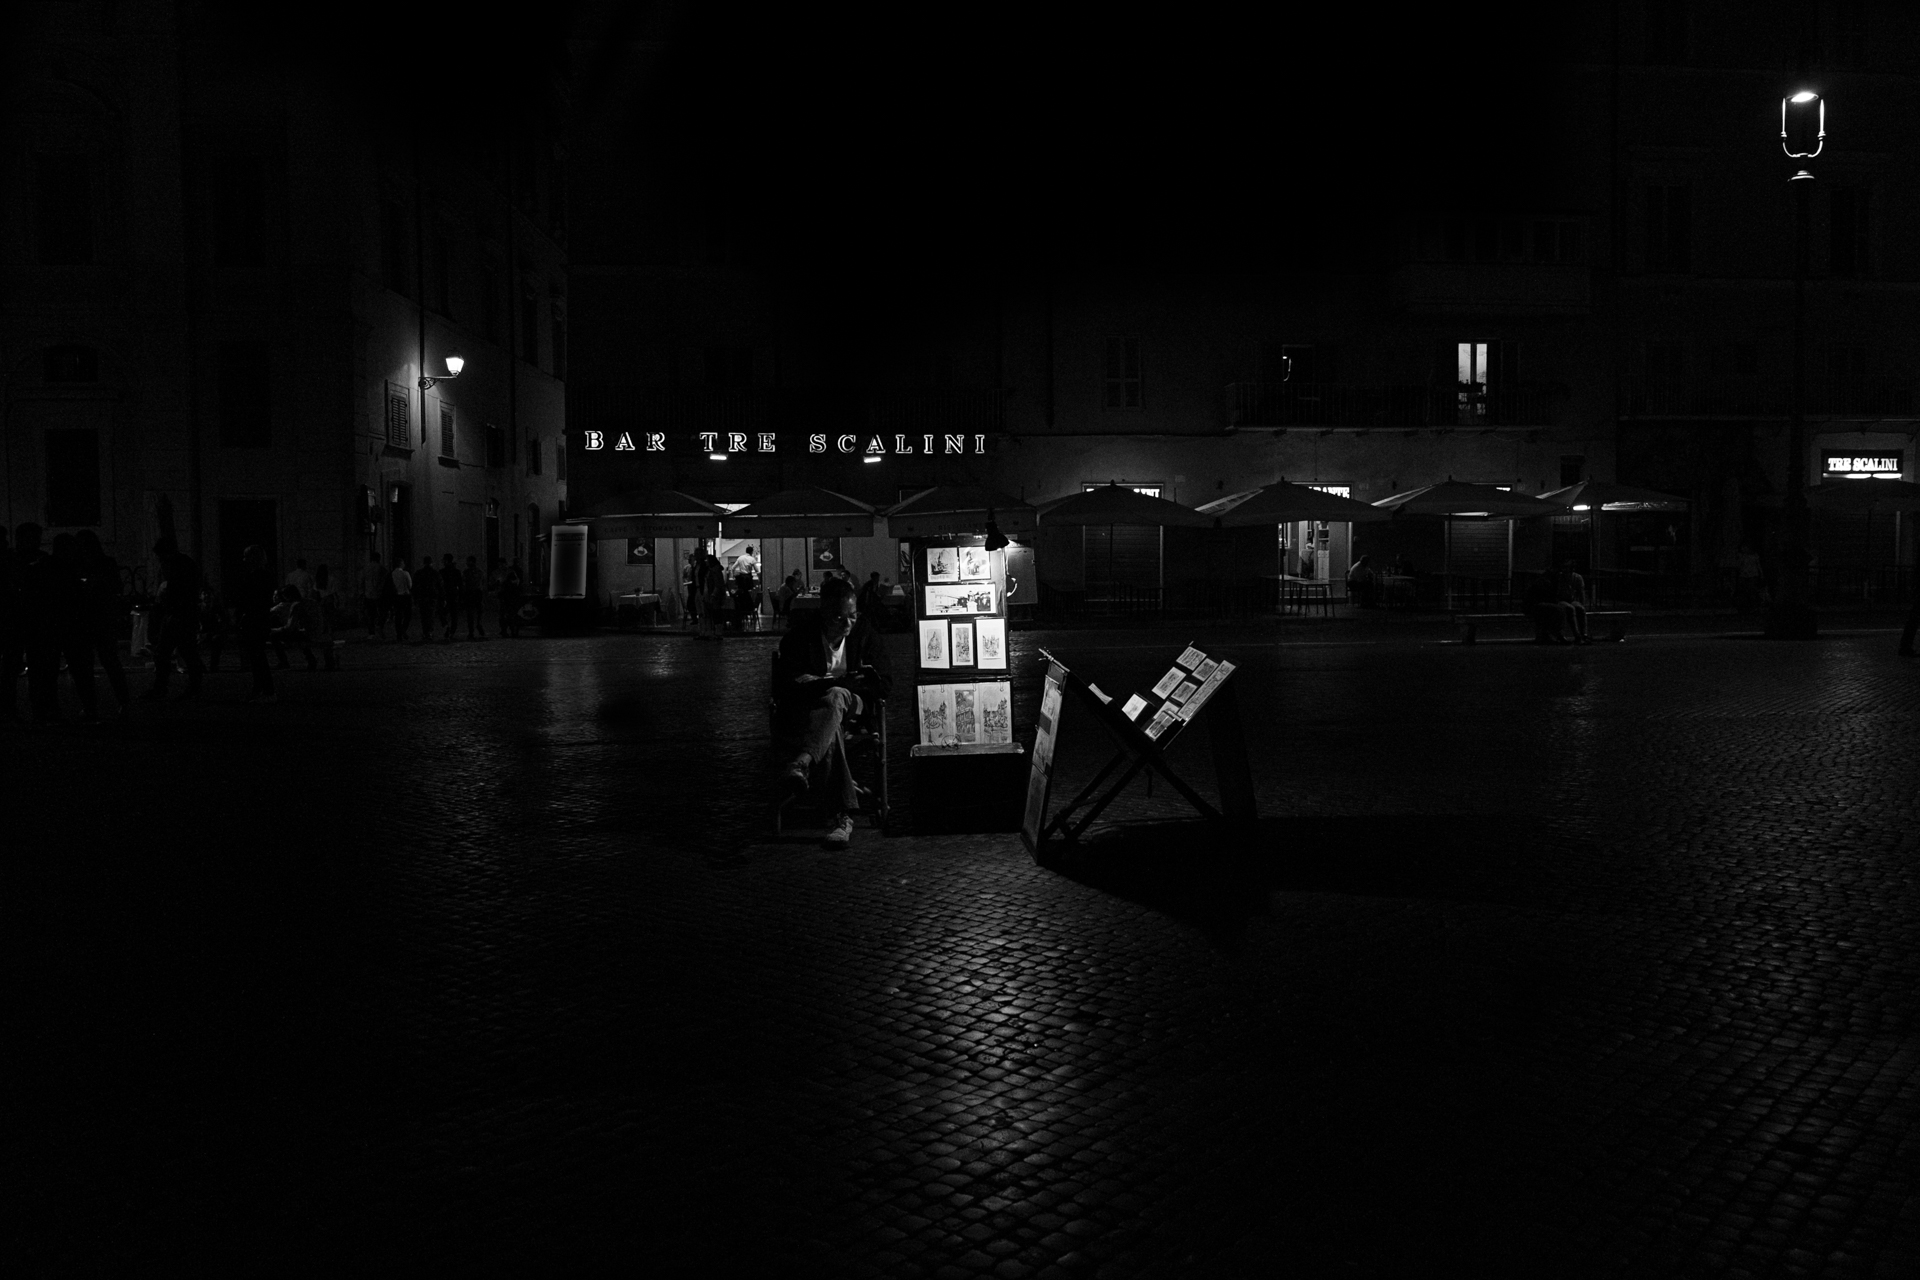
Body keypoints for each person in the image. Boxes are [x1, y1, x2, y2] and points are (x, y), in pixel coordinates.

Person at [772, 574, 892, 849]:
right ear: (824, 614)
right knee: (831, 724)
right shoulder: (801, 638)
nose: (848, 623)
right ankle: (844, 816)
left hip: (855, 707)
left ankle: (802, 762)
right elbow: (787, 684)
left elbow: (885, 683)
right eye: (840, 618)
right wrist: (830, 684)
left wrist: (849, 684)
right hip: (813, 714)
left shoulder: (864, 634)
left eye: (852, 615)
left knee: (837, 696)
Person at [74, 529, 132, 719]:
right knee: (97, 662)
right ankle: (98, 704)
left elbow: (115, 587)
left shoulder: (94, 564)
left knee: (105, 661)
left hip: (96, 617)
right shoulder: (87, 564)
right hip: (90, 618)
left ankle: (116, 703)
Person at [142, 537, 205, 701]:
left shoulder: (177, 566)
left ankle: (163, 687)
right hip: (183, 613)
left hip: (179, 614)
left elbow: (178, 591)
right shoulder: (184, 563)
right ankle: (192, 687)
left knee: (167, 652)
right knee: (183, 651)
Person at [233, 544, 277, 701]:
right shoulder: (265, 575)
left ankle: (267, 690)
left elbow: (248, 598)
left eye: (246, 556)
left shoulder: (254, 577)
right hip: (260, 617)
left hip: (254, 618)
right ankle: (260, 688)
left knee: (257, 656)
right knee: (257, 655)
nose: (244, 560)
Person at [268, 585, 319, 670]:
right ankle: (311, 659)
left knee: (274, 636)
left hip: (308, 633)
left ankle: (284, 662)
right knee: (299, 635)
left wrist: (274, 630)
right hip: (318, 631)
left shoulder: (296, 605)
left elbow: (290, 627)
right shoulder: (310, 602)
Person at [0, 527, 21, 722]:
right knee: (10, 668)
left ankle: (8, 706)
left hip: (8, 619)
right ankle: (9, 706)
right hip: (10, 620)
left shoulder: (9, 560)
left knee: (9, 667)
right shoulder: (11, 560)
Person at [1522, 570, 1572, 644]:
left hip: (1535, 604)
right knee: (1558, 610)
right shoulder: (1545, 583)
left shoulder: (1544, 582)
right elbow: (1547, 597)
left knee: (1555, 610)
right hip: (1535, 605)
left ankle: (1549, 634)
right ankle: (1558, 634)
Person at [1555, 558, 1591, 644]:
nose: (1564, 569)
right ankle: (1577, 634)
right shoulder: (1559, 577)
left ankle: (1584, 634)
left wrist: (1583, 604)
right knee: (1570, 608)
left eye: (1567, 567)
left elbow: (1581, 592)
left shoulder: (1577, 577)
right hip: (1561, 599)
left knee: (1580, 609)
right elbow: (1556, 592)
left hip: (1571, 600)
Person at [697, 551, 728, 640]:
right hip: (710, 594)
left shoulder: (714, 571)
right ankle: (715, 632)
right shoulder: (712, 570)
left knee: (715, 613)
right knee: (713, 613)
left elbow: (717, 584)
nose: (706, 562)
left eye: (707, 560)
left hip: (714, 596)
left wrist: (713, 595)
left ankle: (717, 632)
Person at [411, 556, 440, 643]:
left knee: (423, 615)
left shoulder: (419, 573)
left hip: (422, 596)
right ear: (431, 563)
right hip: (432, 596)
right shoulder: (435, 573)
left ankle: (425, 632)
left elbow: (414, 586)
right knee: (431, 615)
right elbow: (439, 585)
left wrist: (415, 597)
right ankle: (430, 632)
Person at [460, 555, 487, 639]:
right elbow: (483, 583)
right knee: (479, 611)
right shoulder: (480, 572)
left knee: (470, 613)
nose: (466, 563)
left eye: (468, 561)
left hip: (470, 593)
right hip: (478, 592)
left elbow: (463, 584)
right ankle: (479, 625)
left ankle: (471, 631)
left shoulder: (466, 572)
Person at [390, 558, 415, 641]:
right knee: (408, 614)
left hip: (397, 596)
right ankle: (403, 629)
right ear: (401, 564)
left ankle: (399, 633)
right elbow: (410, 585)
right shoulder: (405, 573)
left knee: (398, 615)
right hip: (405, 595)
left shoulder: (392, 574)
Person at [364, 553, 388, 639]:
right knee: (382, 612)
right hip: (379, 594)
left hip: (368, 594)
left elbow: (362, 581)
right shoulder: (382, 568)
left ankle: (371, 632)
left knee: (370, 614)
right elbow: (385, 582)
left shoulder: (366, 568)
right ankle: (379, 626)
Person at [439, 553, 462, 640]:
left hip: (445, 595)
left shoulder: (442, 572)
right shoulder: (456, 572)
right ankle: (452, 631)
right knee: (454, 615)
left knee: (443, 613)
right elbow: (460, 585)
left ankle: (447, 627)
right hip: (454, 595)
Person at [499, 559, 524, 637]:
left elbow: (516, 582)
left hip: (510, 596)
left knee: (510, 614)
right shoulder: (498, 572)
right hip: (503, 595)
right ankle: (505, 630)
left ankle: (512, 630)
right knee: (503, 614)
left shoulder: (511, 572)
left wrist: (507, 582)